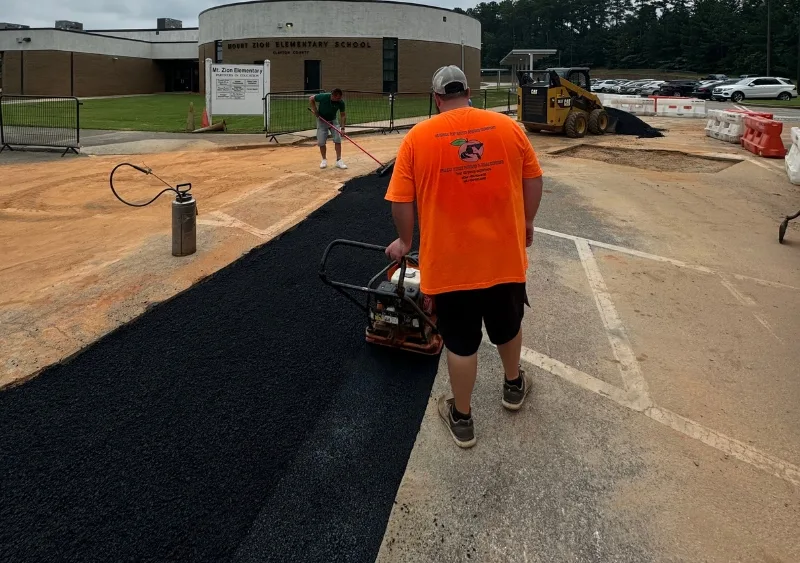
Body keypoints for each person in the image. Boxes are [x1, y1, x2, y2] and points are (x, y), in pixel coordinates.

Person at [384, 65, 544, 448]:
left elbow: (401, 201)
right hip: (502, 257)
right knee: (507, 326)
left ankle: (463, 418)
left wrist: (405, 242)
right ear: (468, 91)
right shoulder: (506, 128)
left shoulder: (418, 137)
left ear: (437, 97)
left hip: (451, 264)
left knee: (460, 343)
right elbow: (534, 178)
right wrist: (527, 223)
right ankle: (513, 386)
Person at [309, 88, 348, 169]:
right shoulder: (323, 97)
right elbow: (311, 98)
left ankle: (339, 160)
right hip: (322, 120)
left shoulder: (341, 102)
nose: (339, 100)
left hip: (333, 120)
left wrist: (343, 128)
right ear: (332, 96)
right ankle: (324, 160)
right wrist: (315, 110)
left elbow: (343, 115)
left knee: (338, 139)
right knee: (321, 141)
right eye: (337, 98)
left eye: (340, 98)